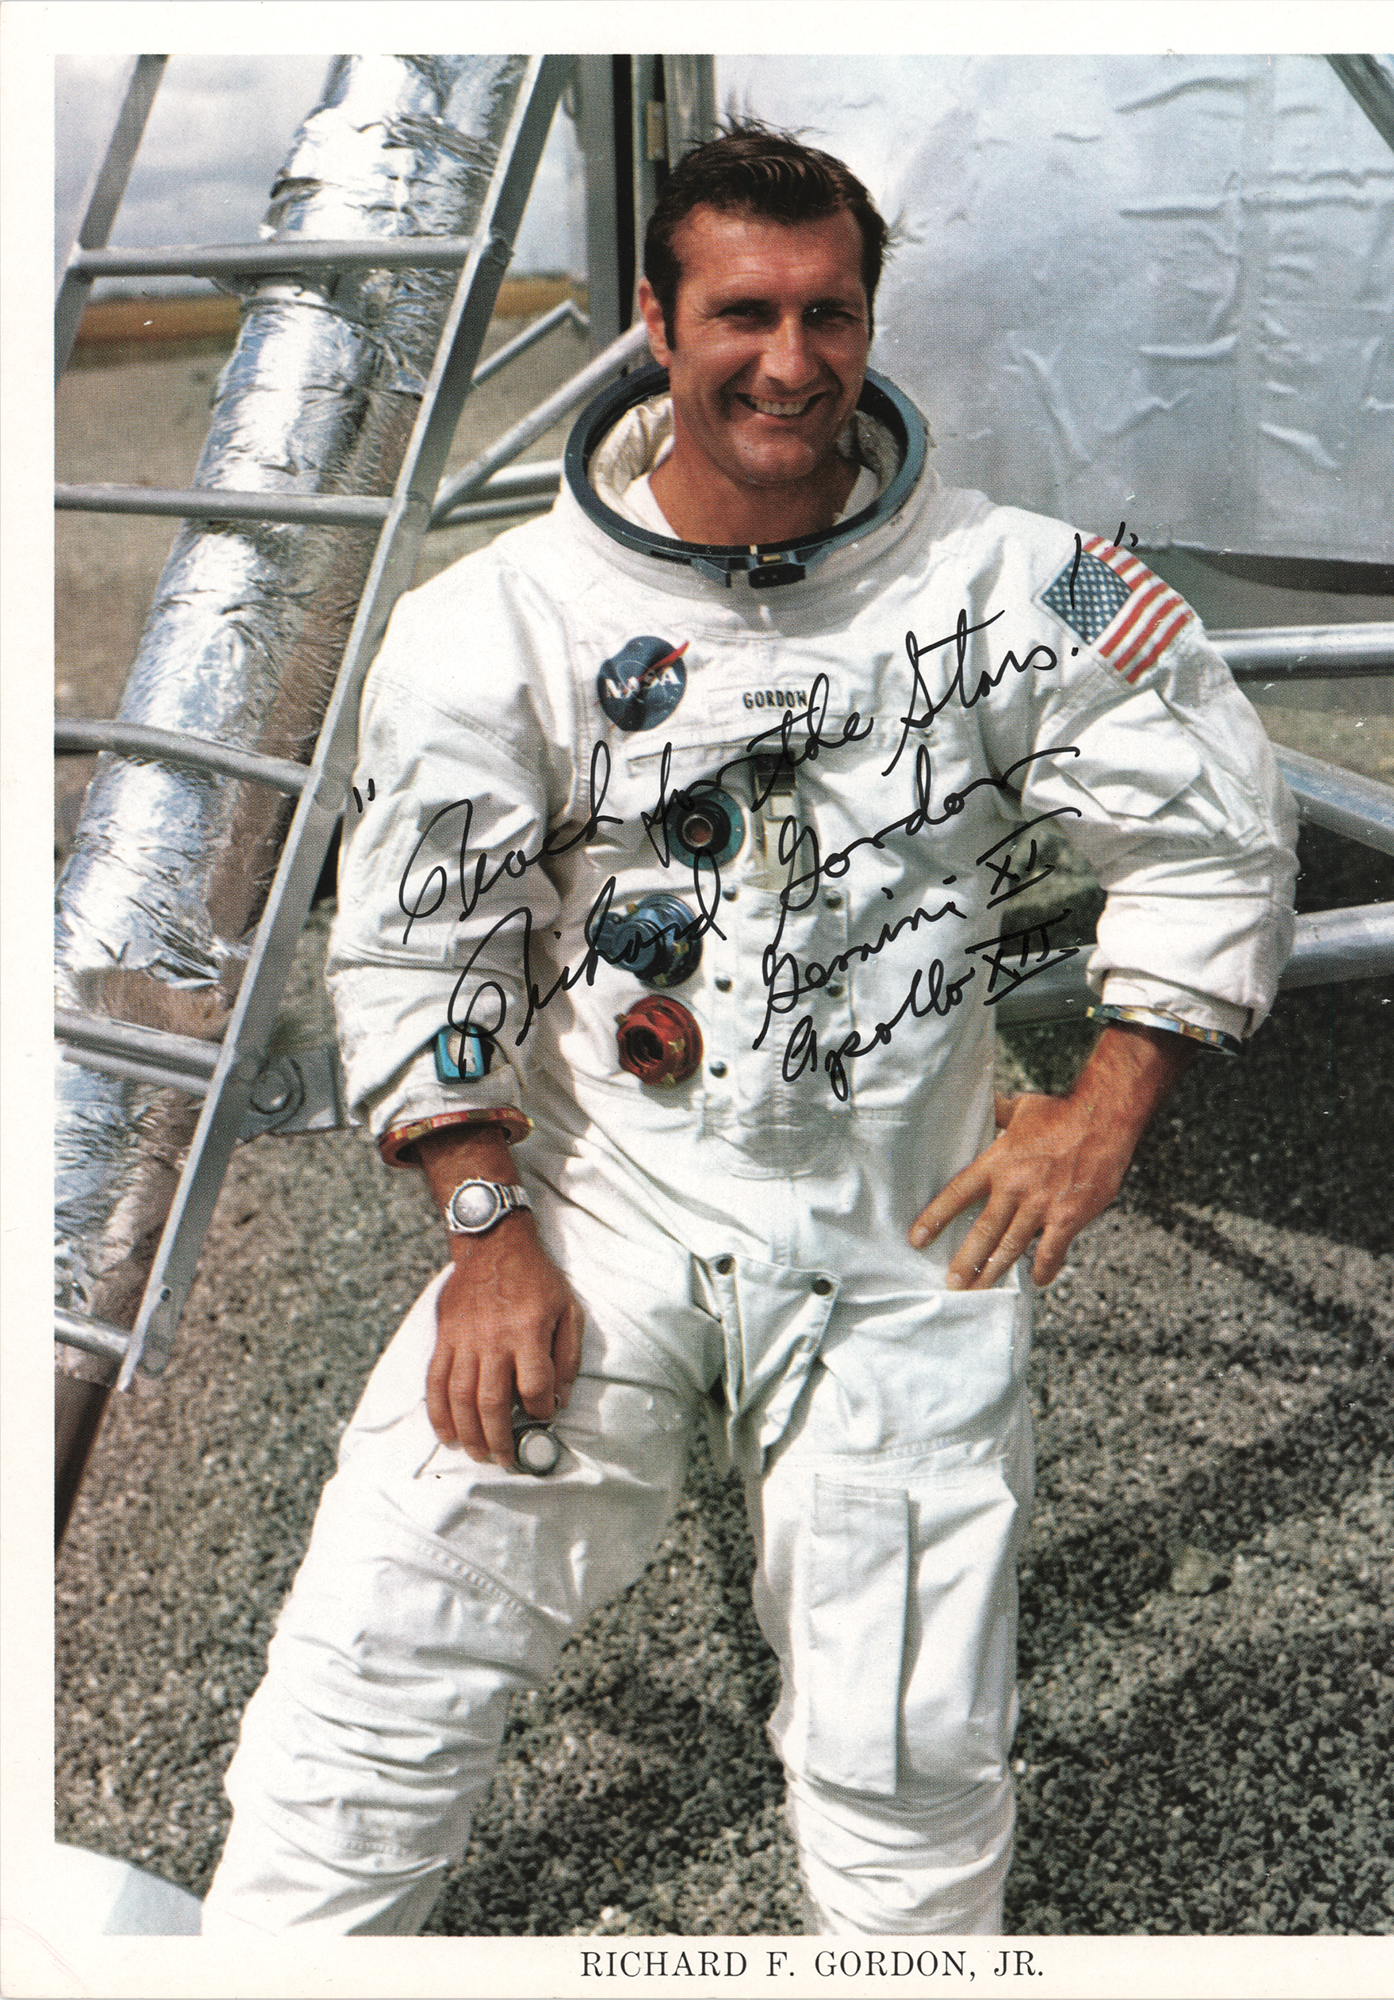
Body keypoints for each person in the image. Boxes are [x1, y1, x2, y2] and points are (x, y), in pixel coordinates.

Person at [203, 125, 1298, 1937]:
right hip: (602, 1212)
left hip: (899, 1230)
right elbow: (420, 943)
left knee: (907, 1753)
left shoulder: (1029, 584)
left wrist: (1106, 1106)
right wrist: (484, 1235)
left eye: (828, 314)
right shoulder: (499, 620)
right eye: (742, 314)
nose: (791, 362)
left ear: (868, 322)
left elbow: (1214, 830)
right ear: (657, 320)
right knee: (378, 1674)